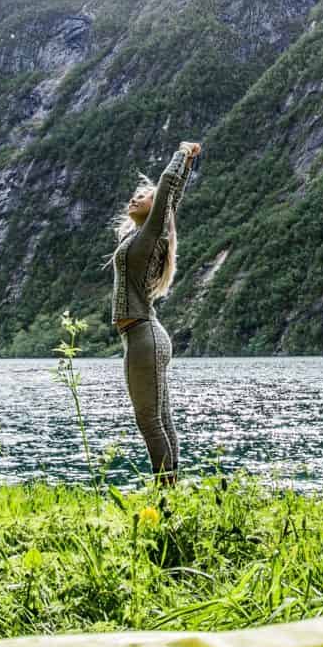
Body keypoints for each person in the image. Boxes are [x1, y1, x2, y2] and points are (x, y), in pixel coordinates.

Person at [110, 140, 201, 484]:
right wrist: (189, 164)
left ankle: (165, 493)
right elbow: (172, 198)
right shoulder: (142, 236)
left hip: (144, 336)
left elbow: (168, 191)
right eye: (134, 196)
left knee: (149, 420)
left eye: (142, 197)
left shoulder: (152, 234)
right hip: (147, 335)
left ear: (154, 209)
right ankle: (172, 492)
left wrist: (181, 154)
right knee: (161, 417)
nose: (134, 199)